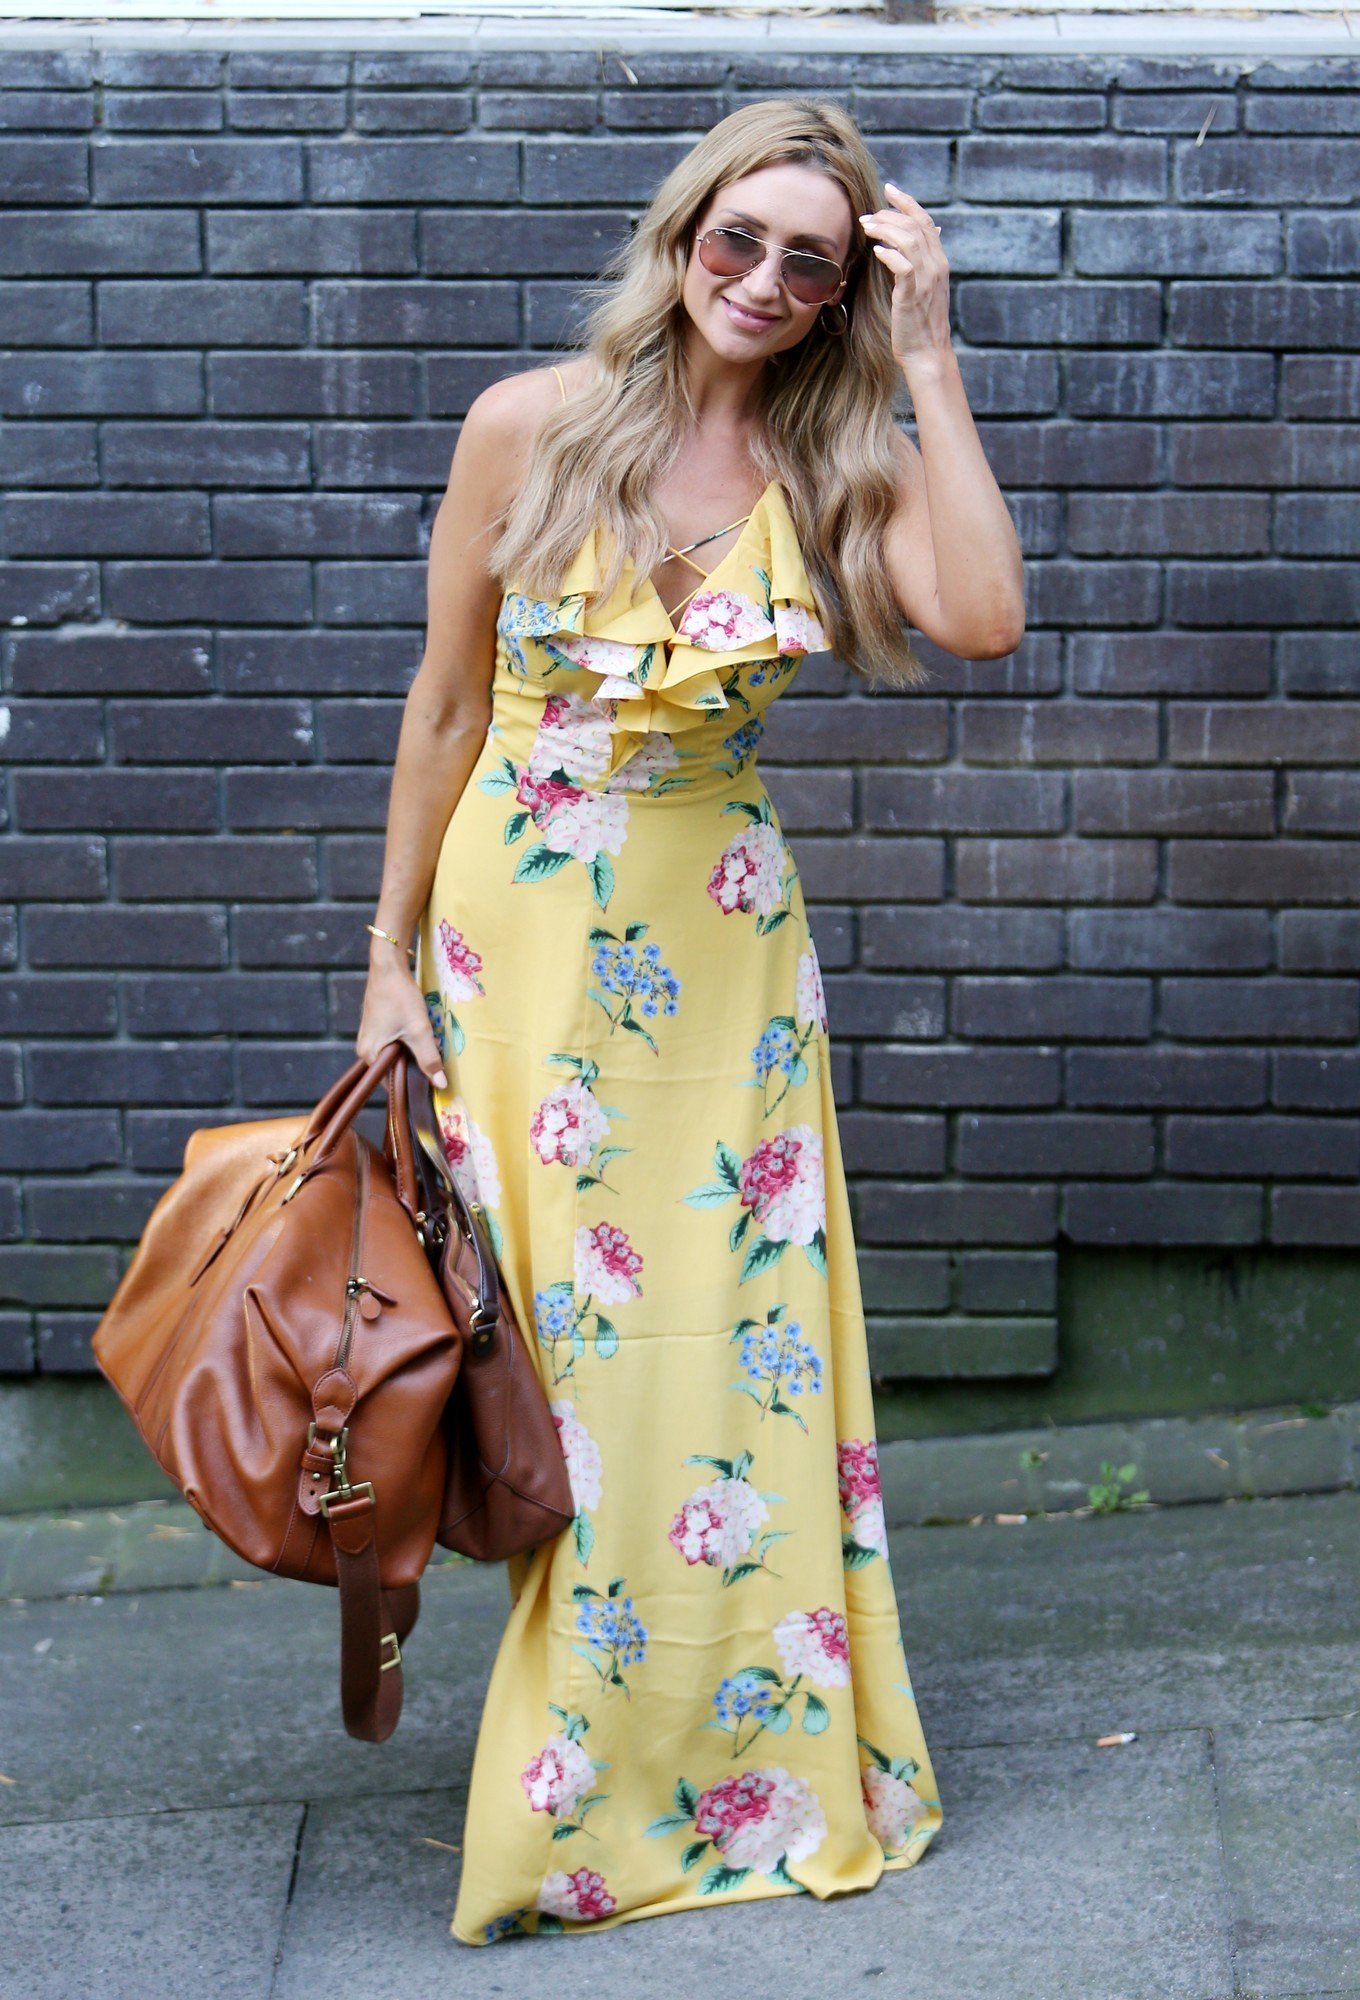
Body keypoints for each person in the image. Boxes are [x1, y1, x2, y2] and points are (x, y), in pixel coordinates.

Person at [355, 96, 1023, 1946]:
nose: (766, 280)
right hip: (517, 960)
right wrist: (387, 960)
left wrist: (931, 363)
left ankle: (747, 1766)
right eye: (741, 238)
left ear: (843, 292)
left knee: (731, 1365)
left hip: (720, 964)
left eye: (814, 260)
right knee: (562, 1370)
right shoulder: (530, 426)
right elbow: (443, 703)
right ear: (682, 236)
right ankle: (591, 1789)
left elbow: (983, 615)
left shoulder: (833, 471)